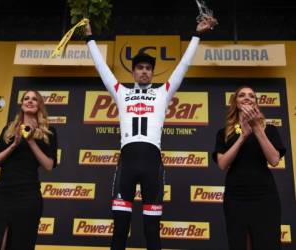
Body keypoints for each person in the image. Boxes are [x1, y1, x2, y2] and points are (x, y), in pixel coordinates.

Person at [85, 16, 217, 250]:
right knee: (119, 229)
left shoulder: (162, 93)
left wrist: (197, 34)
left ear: (152, 73)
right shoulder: (121, 92)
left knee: (152, 231)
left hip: (152, 164)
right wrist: (89, 37)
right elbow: (101, 68)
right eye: (140, 68)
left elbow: (183, 66)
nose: (144, 72)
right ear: (134, 72)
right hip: (126, 163)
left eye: (148, 68)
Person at [213, 86, 286, 250]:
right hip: (236, 197)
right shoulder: (224, 132)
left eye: (251, 96)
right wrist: (243, 137)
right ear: (235, 102)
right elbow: (223, 164)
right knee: (239, 244)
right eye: (242, 95)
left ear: (256, 103)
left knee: (268, 243)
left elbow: (274, 160)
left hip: (265, 196)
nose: (247, 98)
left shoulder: (269, 129)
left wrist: (257, 128)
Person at [0, 90, 57, 250]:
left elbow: (49, 165)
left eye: (34, 99)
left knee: (21, 244)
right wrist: (14, 145)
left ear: (39, 105)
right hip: (2, 193)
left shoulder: (48, 133)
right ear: (22, 104)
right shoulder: (9, 129)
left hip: (28, 196)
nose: (29, 101)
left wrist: (30, 141)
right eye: (26, 98)